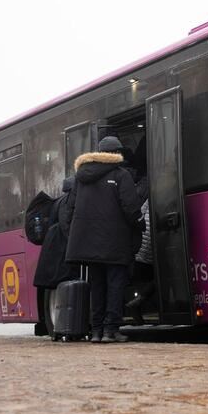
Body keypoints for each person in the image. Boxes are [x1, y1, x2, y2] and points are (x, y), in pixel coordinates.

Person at [61, 136, 148, 343]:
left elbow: (69, 209)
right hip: (115, 242)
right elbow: (130, 207)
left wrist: (74, 235)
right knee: (115, 285)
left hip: (88, 245)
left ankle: (97, 331)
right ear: (116, 153)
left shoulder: (81, 178)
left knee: (97, 286)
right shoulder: (121, 175)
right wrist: (139, 224)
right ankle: (111, 330)